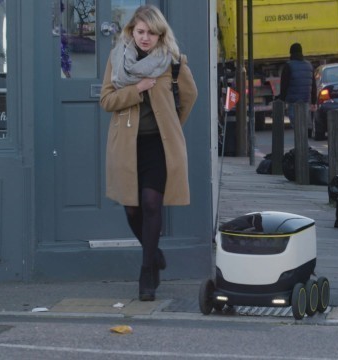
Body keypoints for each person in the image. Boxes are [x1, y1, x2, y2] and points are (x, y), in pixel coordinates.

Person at [99, 5, 198, 301]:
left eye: (151, 33)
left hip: (158, 143)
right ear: (131, 31)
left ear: (160, 34)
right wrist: (138, 88)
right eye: (140, 32)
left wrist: (172, 125)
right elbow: (107, 100)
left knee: (152, 202)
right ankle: (154, 253)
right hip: (126, 145)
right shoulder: (117, 60)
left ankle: (145, 273)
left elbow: (189, 97)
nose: (145, 38)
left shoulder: (173, 62)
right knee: (132, 208)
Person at [278, 42, 317, 123]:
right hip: (305, 101)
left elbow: (284, 85)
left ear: (291, 53)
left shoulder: (288, 66)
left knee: (296, 125)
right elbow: (313, 85)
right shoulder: (309, 65)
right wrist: (313, 101)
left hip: (293, 102)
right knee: (303, 126)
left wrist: (282, 100)